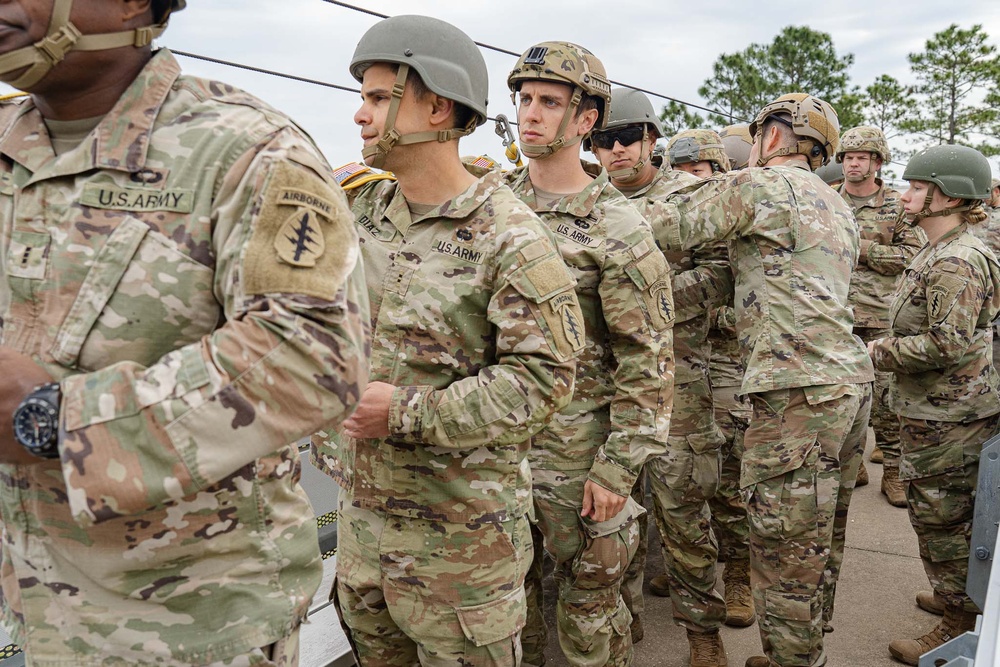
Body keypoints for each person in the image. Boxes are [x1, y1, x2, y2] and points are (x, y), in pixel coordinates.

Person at [0, 1, 371, 665]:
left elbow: (313, 353)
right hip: (31, 610)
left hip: (191, 630)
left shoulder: (244, 147)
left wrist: (58, 421)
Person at [311, 16, 583, 667]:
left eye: (379, 97)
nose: (360, 114)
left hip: (460, 562)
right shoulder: (364, 222)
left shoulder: (509, 237)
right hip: (366, 548)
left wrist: (403, 412)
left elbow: (545, 383)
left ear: (437, 104)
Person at [654, 93, 875, 667]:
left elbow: (663, 225)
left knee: (784, 550)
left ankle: (791, 661)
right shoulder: (835, 205)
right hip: (847, 383)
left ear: (773, 137)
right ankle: (807, 650)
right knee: (821, 539)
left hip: (796, 391)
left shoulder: (761, 186)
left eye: (755, 136)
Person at [506, 44, 675, 667]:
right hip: (494, 451)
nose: (531, 114)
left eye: (550, 102)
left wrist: (616, 468)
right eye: (525, 99)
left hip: (579, 457)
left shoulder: (617, 226)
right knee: (500, 616)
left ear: (585, 121)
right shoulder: (492, 205)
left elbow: (649, 358)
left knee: (589, 620)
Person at [591, 95, 734, 666]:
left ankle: (704, 633)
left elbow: (723, 275)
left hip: (678, 381)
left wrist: (644, 301)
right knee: (609, 513)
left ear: (652, 138)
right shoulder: (584, 204)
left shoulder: (690, 198)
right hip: (603, 386)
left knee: (683, 510)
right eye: (604, 139)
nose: (616, 148)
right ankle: (622, 626)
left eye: (628, 135)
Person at [866, 145, 1000, 666]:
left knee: (946, 523)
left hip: (950, 418)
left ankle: (956, 623)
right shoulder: (936, 249)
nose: (906, 194)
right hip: (937, 410)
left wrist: (878, 350)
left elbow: (949, 345)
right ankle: (957, 599)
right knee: (943, 518)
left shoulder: (956, 261)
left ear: (946, 196)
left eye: (918, 187)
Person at [835, 126, 926, 503]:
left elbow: (913, 257)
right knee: (839, 396)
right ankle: (852, 465)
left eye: (861, 157)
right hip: (833, 315)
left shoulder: (897, 204)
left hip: (879, 317)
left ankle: (893, 470)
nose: (853, 164)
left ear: (876, 162)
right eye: (848, 157)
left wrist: (864, 249)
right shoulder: (827, 199)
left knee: (887, 402)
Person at [708, 123, 757, 630]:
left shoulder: (740, 220)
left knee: (728, 474)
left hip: (727, 366)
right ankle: (698, 565)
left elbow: (749, 306)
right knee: (680, 481)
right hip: (676, 366)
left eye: (703, 171)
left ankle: (738, 575)